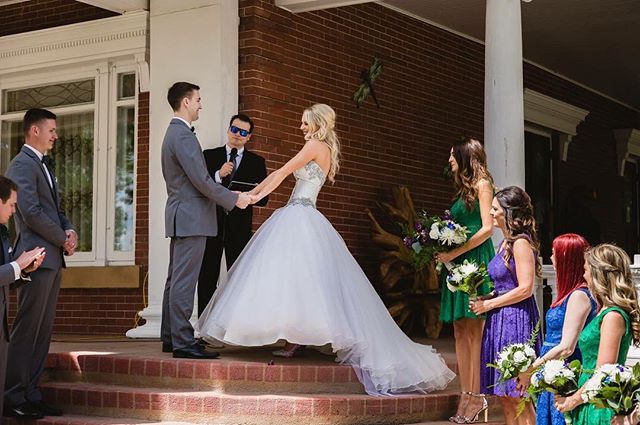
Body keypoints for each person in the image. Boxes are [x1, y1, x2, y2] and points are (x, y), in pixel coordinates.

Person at [196, 103, 455, 396]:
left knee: (298, 276)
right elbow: (281, 175)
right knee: (298, 278)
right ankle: (295, 337)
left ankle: (296, 338)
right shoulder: (322, 148)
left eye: (305, 123)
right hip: (299, 212)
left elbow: (282, 172)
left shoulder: (315, 146)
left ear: (318, 124)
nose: (301, 128)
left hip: (300, 214)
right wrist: (252, 193)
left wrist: (252, 198)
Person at [159, 82, 250, 359]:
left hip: (182, 214)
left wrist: (224, 192)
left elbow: (195, 180)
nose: (200, 104)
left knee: (175, 280)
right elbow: (200, 181)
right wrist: (234, 199)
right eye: (198, 99)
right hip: (192, 217)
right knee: (184, 283)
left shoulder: (173, 133)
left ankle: (171, 338)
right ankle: (183, 343)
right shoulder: (183, 136)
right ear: (185, 102)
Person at [4, 108, 76, 418]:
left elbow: (55, 208)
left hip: (52, 257)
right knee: (27, 329)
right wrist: (61, 238)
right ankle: (13, 396)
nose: (56, 135)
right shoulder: (21, 164)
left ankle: (32, 393)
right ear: (34, 130)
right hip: (34, 258)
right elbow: (30, 212)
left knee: (43, 330)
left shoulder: (45, 165)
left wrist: (69, 229)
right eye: (51, 130)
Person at [434, 137, 495, 423]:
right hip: (457, 262)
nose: (449, 160)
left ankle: (477, 397)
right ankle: (464, 394)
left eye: (452, 156)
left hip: (475, 261)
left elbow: (486, 229)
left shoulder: (483, 185)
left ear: (465, 156)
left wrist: (455, 251)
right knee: (459, 330)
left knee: (474, 332)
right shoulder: (462, 190)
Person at [470, 186, 542, 425]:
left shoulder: (521, 243)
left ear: (509, 213)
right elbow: (506, 284)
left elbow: (525, 288)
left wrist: (489, 305)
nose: (490, 213)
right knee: (504, 396)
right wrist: (487, 296)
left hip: (517, 321)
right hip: (499, 320)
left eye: (495, 209)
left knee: (518, 394)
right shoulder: (504, 243)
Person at [516, 233, 597, 425]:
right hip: (552, 367)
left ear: (565, 259)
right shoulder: (568, 293)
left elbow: (567, 347)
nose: (551, 258)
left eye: (554, 253)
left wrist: (531, 368)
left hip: (564, 370)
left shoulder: (579, 295)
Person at [555, 244, 640, 425]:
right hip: (587, 395)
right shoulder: (602, 311)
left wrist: (572, 400)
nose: (583, 275)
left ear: (598, 273)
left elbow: (602, 373)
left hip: (599, 404)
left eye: (586, 269)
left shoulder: (613, 316)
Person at [198, 113, 267, 317]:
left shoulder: (256, 162)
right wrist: (218, 176)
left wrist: (245, 196)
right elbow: (200, 188)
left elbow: (263, 199)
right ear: (228, 130)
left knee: (239, 277)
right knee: (207, 276)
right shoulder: (209, 156)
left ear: (248, 137)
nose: (238, 135)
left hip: (239, 228)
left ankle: (236, 324)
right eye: (235, 130)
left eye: (243, 132)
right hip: (212, 224)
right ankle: (203, 325)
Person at [0, 176, 46, 419]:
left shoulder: (3, 233)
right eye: (11, 205)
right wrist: (17, 265)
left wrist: (24, 270)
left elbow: (6, 274)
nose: (14, 210)